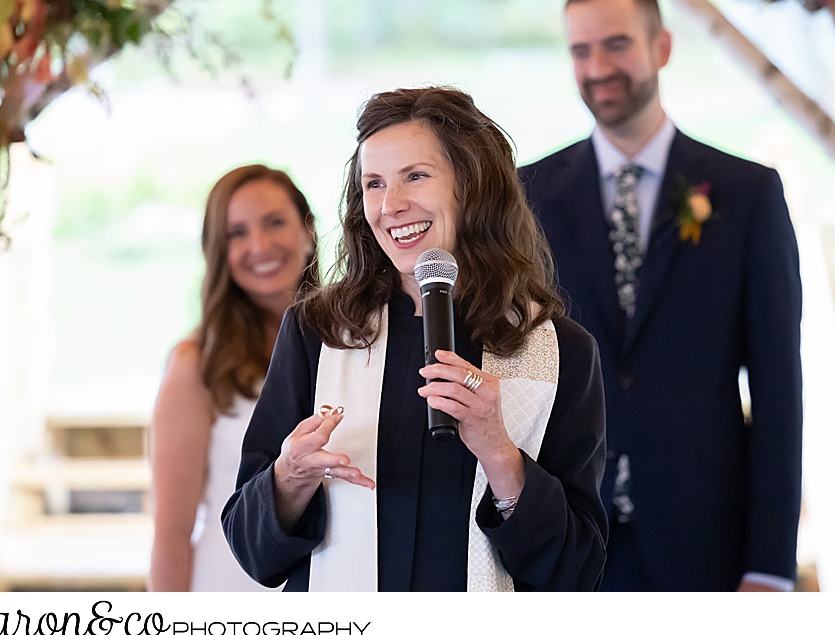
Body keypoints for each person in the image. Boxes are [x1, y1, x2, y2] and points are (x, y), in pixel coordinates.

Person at [221, 87, 608, 592]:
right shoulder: (317, 331)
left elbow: (577, 574)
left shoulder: (559, 351)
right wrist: (288, 478)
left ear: (472, 187)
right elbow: (252, 553)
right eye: (374, 183)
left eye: (416, 177)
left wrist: (499, 453)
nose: (391, 205)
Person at [520, 0, 803, 592]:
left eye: (616, 44)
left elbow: (781, 391)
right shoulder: (527, 194)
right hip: (568, 536)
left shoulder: (747, 195)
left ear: (662, 47)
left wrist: (770, 567)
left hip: (705, 537)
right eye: (580, 50)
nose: (597, 67)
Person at [149, 165, 319, 591]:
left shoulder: (353, 345)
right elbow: (171, 533)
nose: (259, 246)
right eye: (236, 233)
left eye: (275, 222)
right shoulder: (197, 364)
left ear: (308, 230)